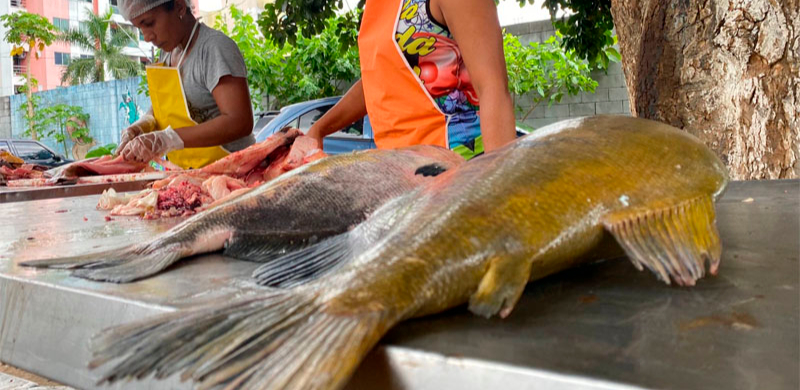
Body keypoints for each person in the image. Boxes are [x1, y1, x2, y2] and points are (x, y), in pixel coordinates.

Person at [307, 0, 517, 159]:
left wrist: (502, 197)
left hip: (460, 168)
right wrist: (319, 129)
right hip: (403, 174)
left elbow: (493, 88)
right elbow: (381, 78)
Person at [116, 0, 254, 169]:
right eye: (140, 28)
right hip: (185, 176)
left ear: (179, 6)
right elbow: (163, 109)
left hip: (233, 173)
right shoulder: (167, 53)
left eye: (149, 23)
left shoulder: (214, 48)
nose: (147, 37)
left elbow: (239, 121)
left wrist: (166, 139)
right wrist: (139, 128)